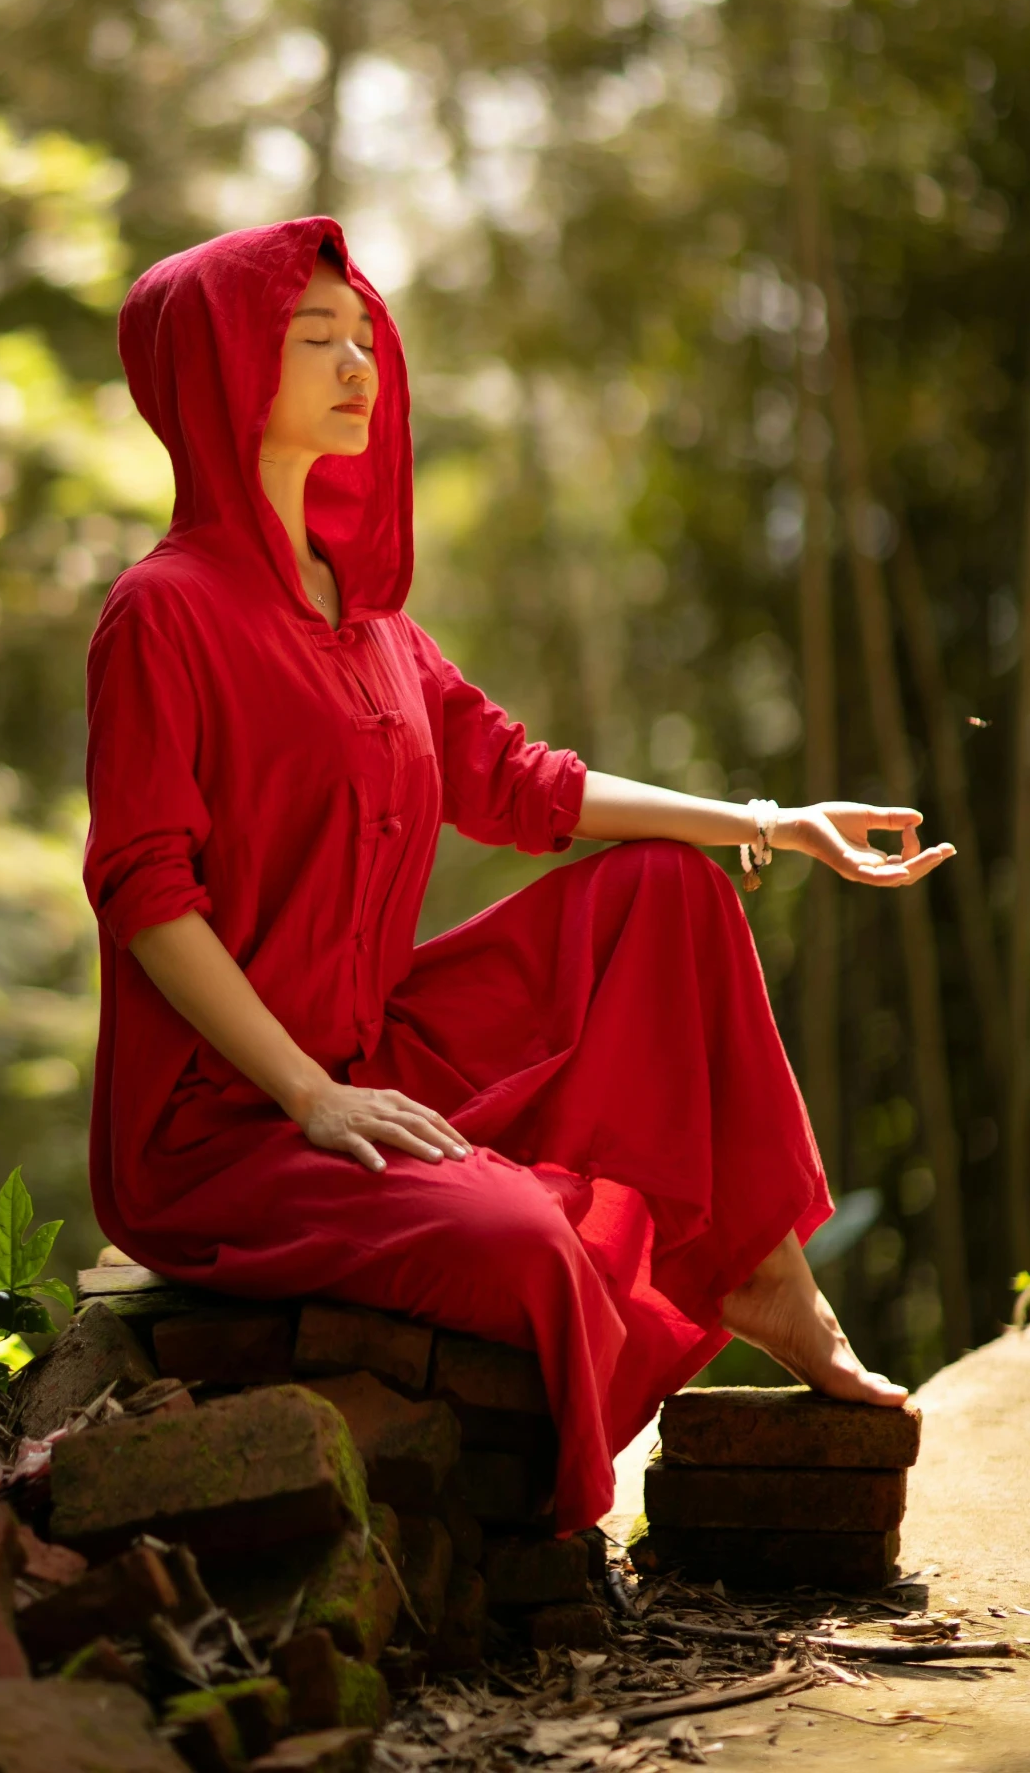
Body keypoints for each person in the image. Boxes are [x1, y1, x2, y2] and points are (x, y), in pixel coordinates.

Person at [82, 217, 954, 1533]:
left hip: (371, 1056)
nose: (358, 363)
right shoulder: (164, 612)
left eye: (364, 335)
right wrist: (313, 1099)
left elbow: (519, 783)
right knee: (533, 1246)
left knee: (670, 888)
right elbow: (146, 896)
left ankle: (763, 1272)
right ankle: (544, 1547)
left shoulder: (364, 617)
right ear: (217, 369)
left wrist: (772, 819)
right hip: (224, 1130)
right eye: (312, 339)